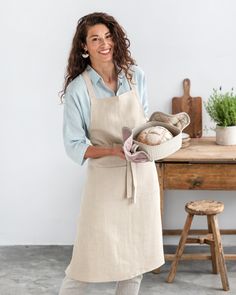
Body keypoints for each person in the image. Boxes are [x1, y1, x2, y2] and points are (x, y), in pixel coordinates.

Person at [59, 12, 164, 295]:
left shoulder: (135, 76)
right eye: (95, 39)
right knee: (85, 263)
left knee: (136, 261)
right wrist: (113, 151)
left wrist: (159, 138)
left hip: (141, 177)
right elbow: (74, 145)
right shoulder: (78, 89)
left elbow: (141, 125)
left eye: (107, 37)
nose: (104, 44)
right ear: (84, 47)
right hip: (104, 182)